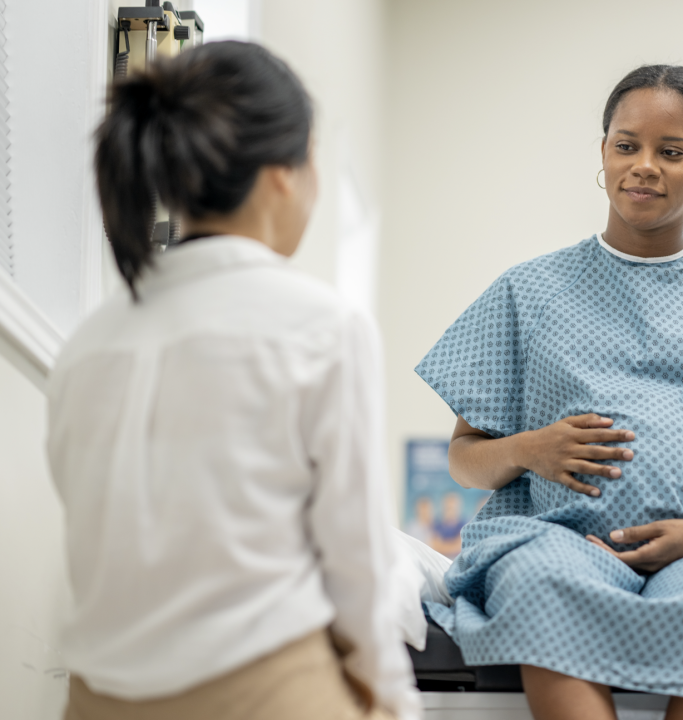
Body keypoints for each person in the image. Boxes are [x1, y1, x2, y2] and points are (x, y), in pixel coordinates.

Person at [415, 65, 683, 720]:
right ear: (603, 152)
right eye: (625, 144)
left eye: (671, 152)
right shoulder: (528, 292)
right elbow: (465, 457)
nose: (644, 166)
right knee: (541, 582)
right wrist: (531, 448)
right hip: (559, 540)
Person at [46, 41, 419, 720]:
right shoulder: (321, 325)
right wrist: (393, 702)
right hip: (265, 691)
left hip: (96, 698)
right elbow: (358, 564)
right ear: (285, 172)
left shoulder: (90, 341)